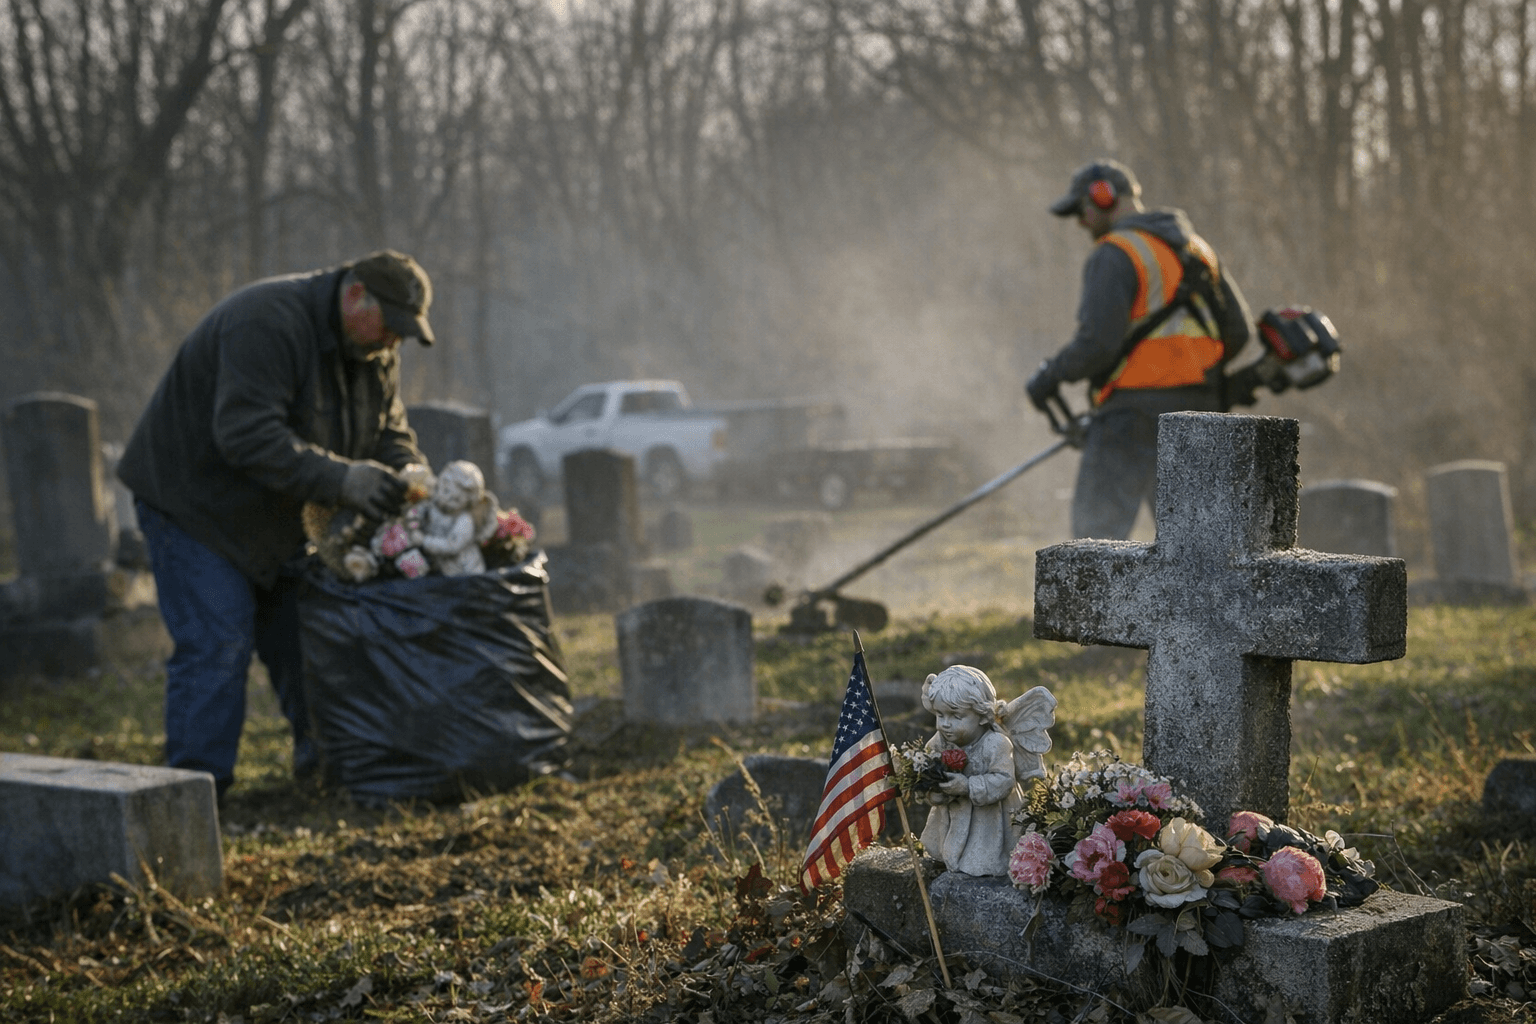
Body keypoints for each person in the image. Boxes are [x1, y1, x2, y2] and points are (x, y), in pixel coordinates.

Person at [117, 250, 436, 797]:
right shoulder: (267, 322)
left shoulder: (375, 349)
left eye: (403, 334)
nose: (393, 342)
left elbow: (388, 426)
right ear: (355, 293)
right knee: (219, 643)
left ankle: (326, 769)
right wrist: (344, 481)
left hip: (279, 513)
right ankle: (195, 796)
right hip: (196, 507)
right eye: (390, 325)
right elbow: (245, 433)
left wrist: (406, 467)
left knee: (307, 640)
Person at [1025, 160, 1252, 540]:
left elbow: (1096, 344)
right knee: (1196, 549)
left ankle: (1095, 605)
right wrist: (1191, 376)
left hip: (1129, 420)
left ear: (1103, 196)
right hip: (1200, 419)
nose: (1081, 223)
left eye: (1081, 210)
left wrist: (1050, 376)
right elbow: (1239, 334)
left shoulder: (1114, 252)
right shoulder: (1199, 250)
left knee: (1095, 547)